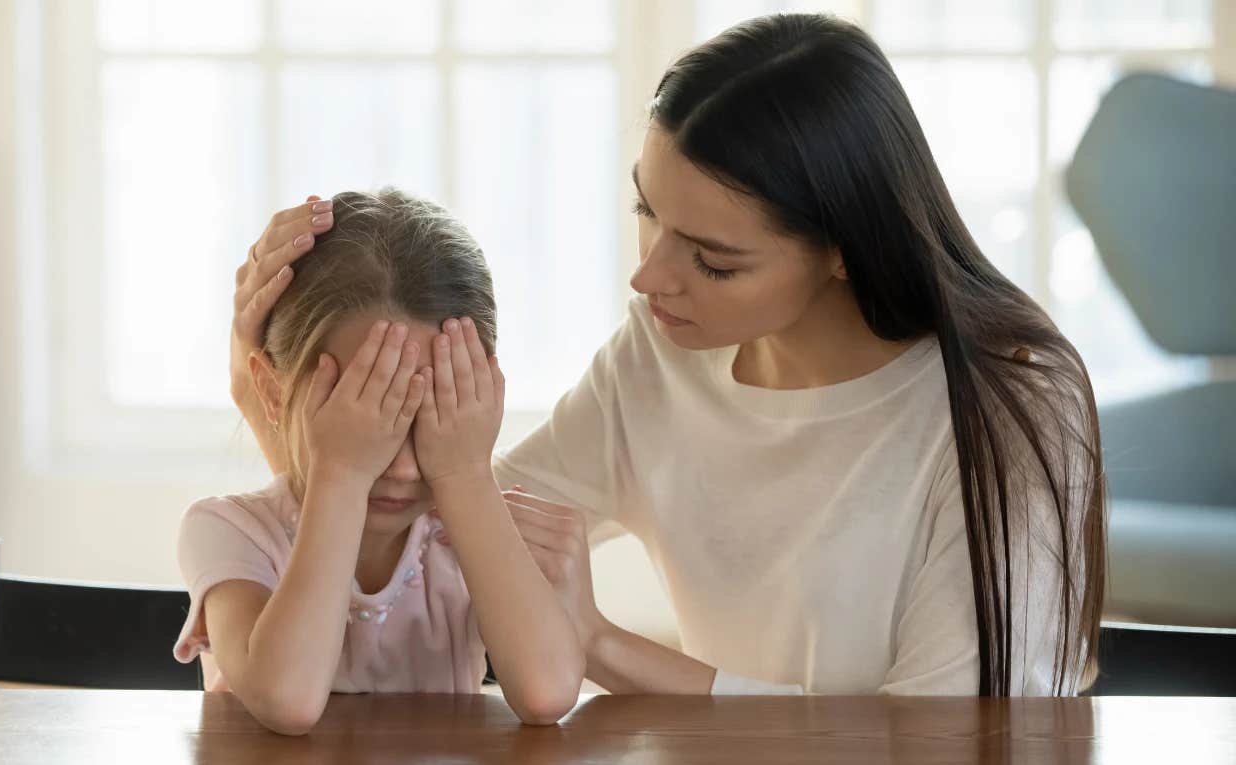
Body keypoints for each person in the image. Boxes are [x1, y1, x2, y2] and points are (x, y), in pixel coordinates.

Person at [230, 14, 1105, 698]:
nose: (649, 276)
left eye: (712, 259)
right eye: (646, 210)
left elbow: (945, 740)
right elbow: (428, 521)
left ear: (844, 246)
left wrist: (606, 646)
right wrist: (263, 386)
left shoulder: (1013, 406)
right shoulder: (666, 354)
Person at [176, 189, 584, 736]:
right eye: (366, 421)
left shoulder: (463, 529)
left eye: (431, 417)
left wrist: (464, 474)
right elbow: (288, 701)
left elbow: (548, 692)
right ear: (272, 394)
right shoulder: (230, 532)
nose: (404, 469)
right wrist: (340, 474)